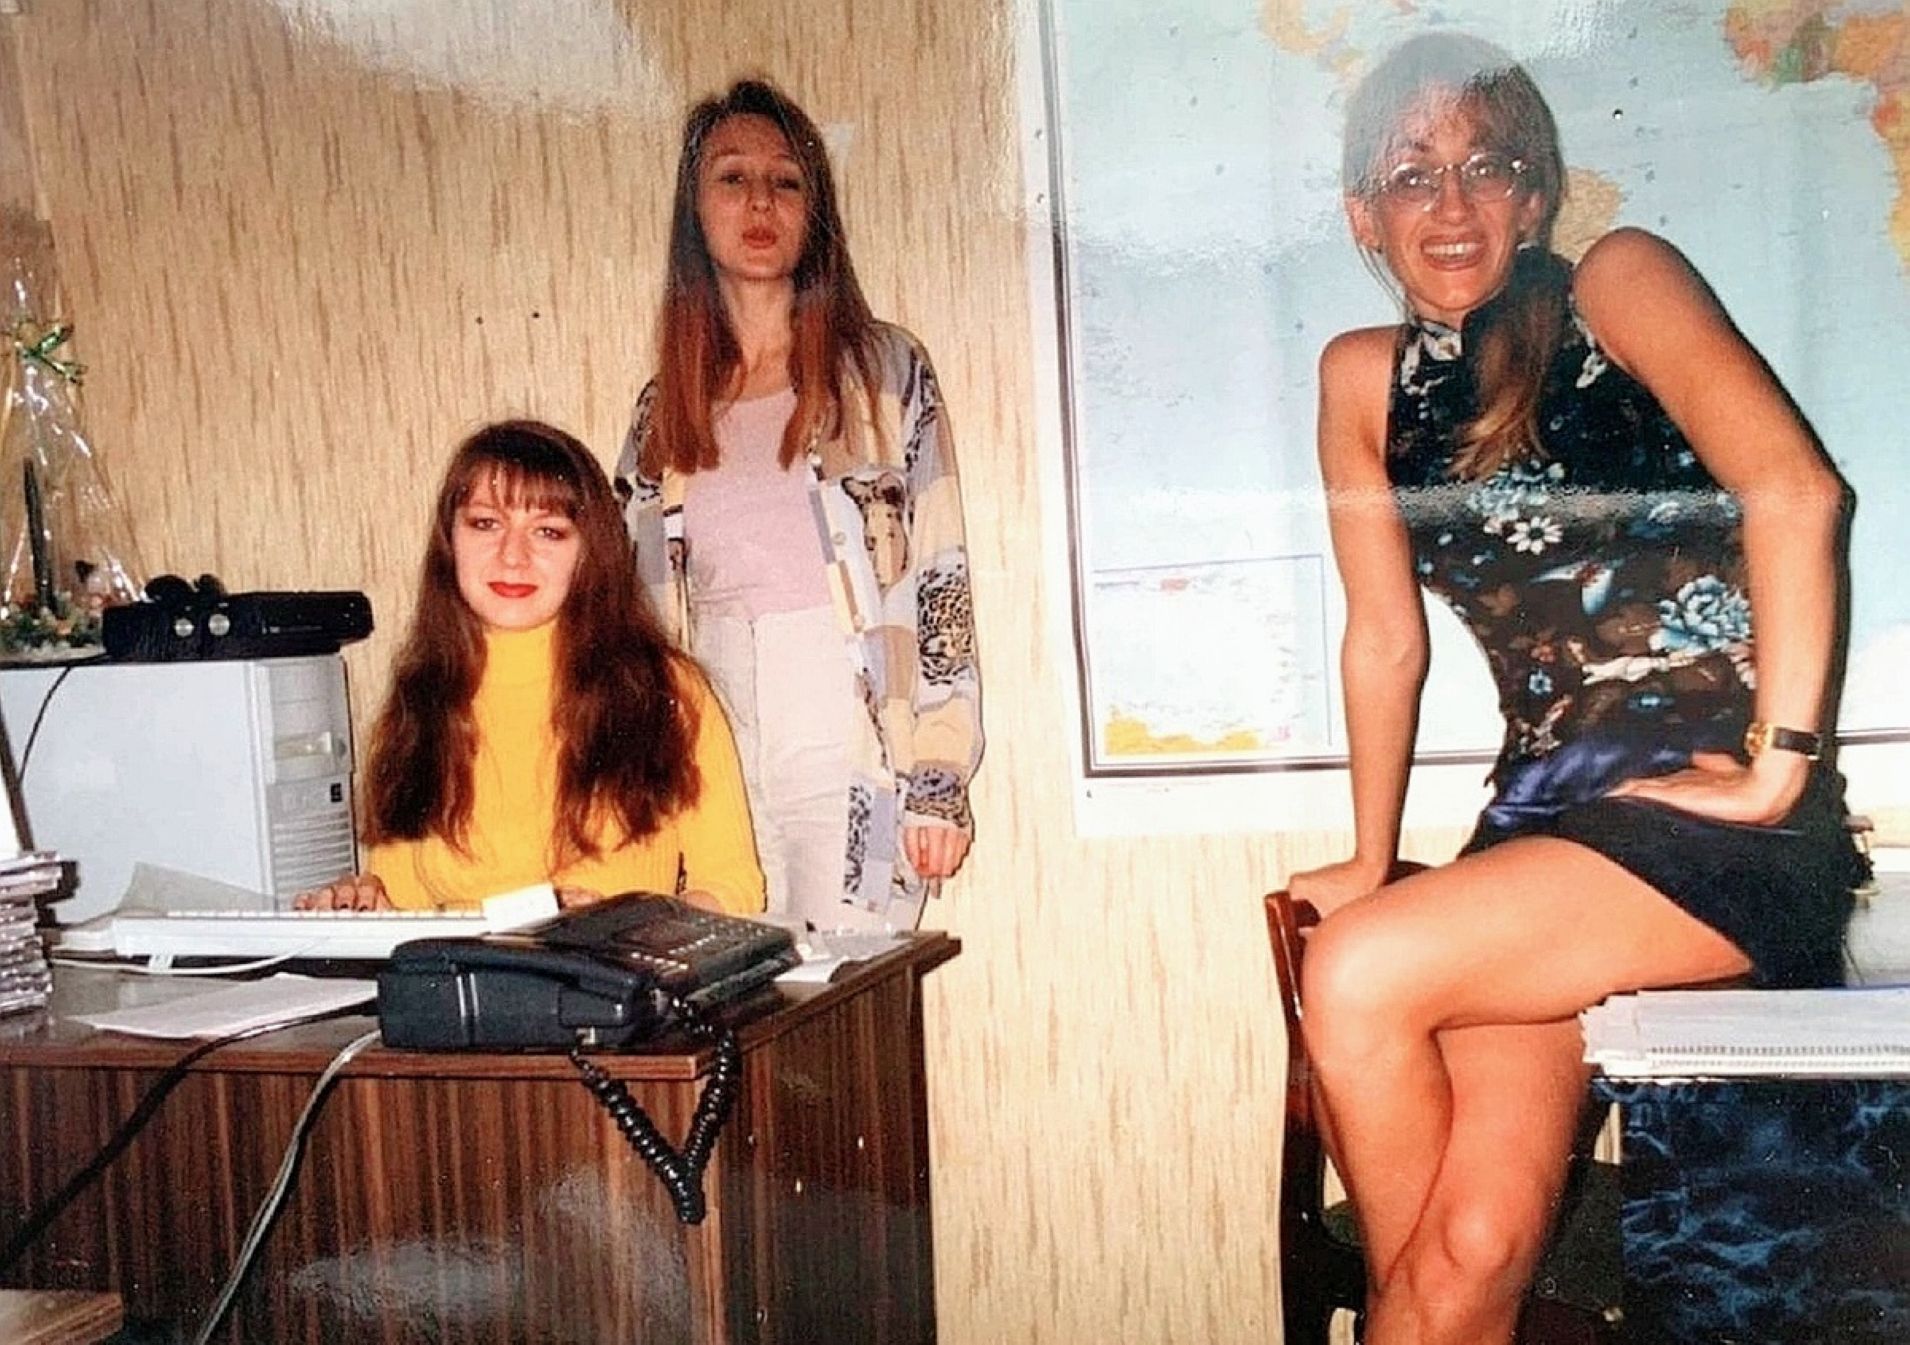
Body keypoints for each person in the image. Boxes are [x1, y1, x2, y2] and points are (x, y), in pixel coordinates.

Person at [1289, 32, 1869, 1345]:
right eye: (1411, 174)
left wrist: (1775, 772)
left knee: (1358, 970)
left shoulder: (1617, 282)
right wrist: (1370, 854)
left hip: (1711, 831)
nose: (1450, 203)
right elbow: (1383, 640)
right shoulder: (1357, 381)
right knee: (1465, 1254)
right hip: (1542, 836)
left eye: (1486, 166)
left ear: (1536, 191)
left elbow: (1796, 493)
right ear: (1362, 214)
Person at [617, 78, 982, 932]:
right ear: (694, 209)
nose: (760, 202)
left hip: (851, 738)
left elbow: (939, 576)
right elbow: (628, 618)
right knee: (735, 998)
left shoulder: (885, 373)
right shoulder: (662, 409)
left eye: (785, 180)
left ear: (814, 211)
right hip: (713, 752)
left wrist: (937, 777)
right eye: (732, 177)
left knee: (844, 997)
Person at [300, 419, 764, 916]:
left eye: (548, 531)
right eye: (486, 523)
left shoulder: (665, 689)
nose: (513, 556)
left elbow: (733, 886)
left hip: (610, 964)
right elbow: (403, 911)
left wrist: (623, 924)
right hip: (464, 968)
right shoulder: (415, 702)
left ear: (589, 552)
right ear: (449, 541)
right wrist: (363, 903)